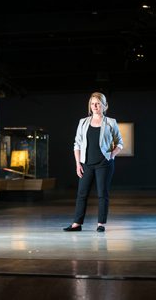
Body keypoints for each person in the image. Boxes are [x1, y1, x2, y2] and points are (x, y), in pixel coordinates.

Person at [63, 92, 123, 232]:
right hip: (86, 163)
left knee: (103, 194)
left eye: (98, 103)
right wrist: (78, 164)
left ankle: (101, 224)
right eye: (92, 103)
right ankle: (77, 224)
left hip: (104, 164)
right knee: (82, 193)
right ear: (90, 106)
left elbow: (119, 142)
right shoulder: (83, 122)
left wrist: (112, 155)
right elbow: (77, 144)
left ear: (104, 105)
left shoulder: (111, 122)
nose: (95, 106)